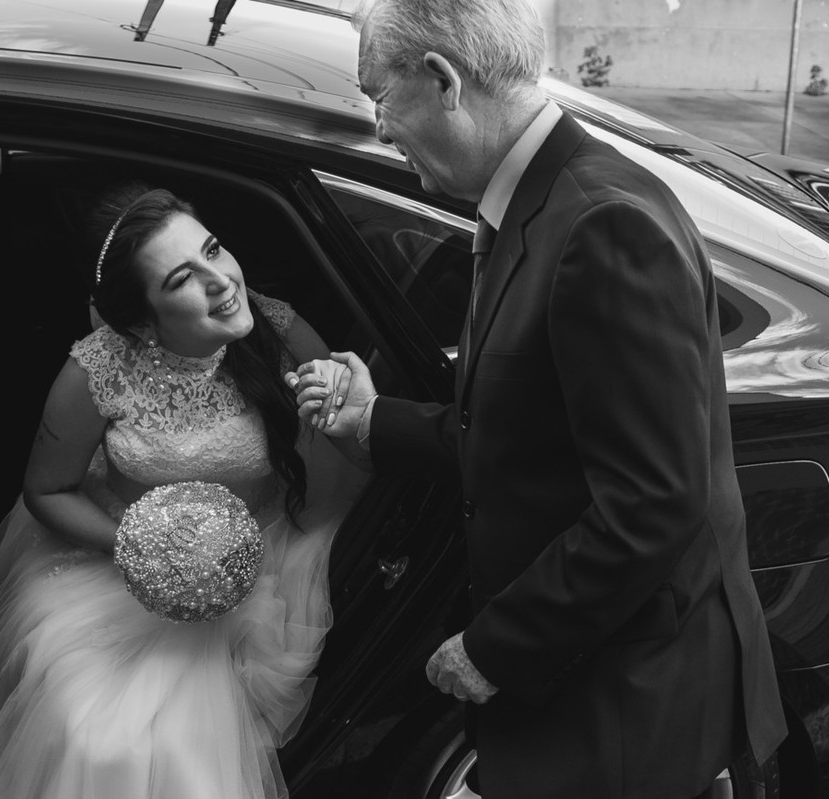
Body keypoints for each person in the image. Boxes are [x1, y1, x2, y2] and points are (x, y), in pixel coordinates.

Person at [288, 1, 787, 797]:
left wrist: (495, 647)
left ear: (443, 80)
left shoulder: (603, 225)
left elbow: (653, 504)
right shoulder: (534, 201)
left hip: (626, 718)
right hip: (588, 698)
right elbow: (521, 430)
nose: (378, 127)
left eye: (378, 97)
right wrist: (371, 420)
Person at [0, 182, 364, 799]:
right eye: (182, 279)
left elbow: (345, 431)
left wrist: (336, 394)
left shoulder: (277, 328)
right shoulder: (97, 369)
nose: (222, 280)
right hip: (118, 567)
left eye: (213, 249)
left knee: (182, 741)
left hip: (260, 563)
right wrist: (142, 545)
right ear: (141, 323)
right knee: (98, 732)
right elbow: (48, 490)